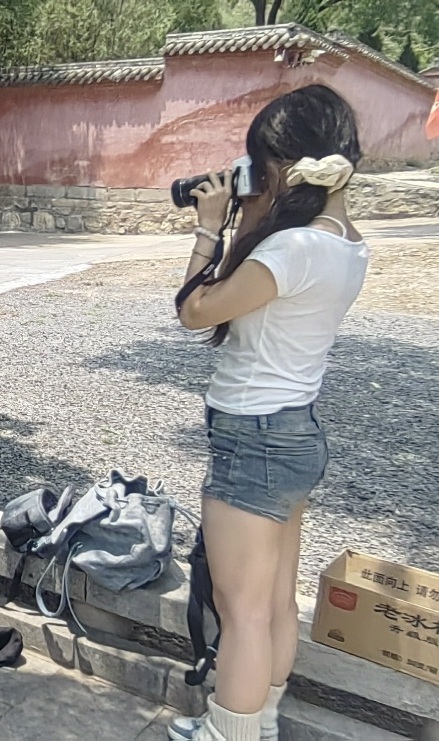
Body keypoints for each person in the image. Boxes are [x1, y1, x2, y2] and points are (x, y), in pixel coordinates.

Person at [170, 85, 368, 741]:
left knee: (242, 610)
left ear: (282, 164)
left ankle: (227, 733)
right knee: (275, 599)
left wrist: (210, 225)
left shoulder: (291, 250)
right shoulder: (345, 242)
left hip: (251, 439)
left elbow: (196, 310)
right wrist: (256, 209)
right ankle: (259, 721)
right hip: (294, 432)